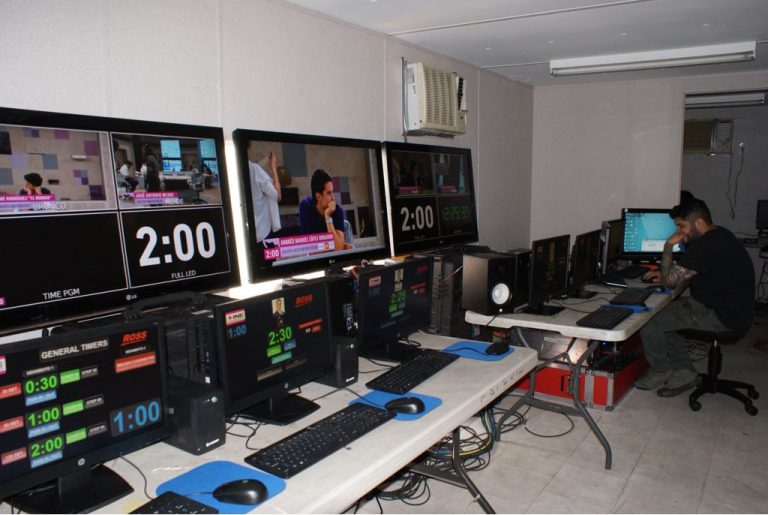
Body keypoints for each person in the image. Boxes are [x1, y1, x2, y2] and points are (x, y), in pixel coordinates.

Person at [636, 199, 755, 397]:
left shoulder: (705, 245)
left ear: (699, 223)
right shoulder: (720, 234)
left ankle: (661, 370)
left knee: (650, 319)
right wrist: (667, 273)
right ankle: (684, 372)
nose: (680, 232)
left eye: (682, 226)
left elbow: (670, 282)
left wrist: (668, 245)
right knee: (667, 315)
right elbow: (692, 270)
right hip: (737, 312)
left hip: (722, 316)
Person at [299, 169, 348, 251]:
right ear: (318, 196)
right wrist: (331, 246)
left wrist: (328, 216)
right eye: (329, 193)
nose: (333, 198)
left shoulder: (337, 210)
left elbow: (338, 249)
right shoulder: (306, 206)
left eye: (332, 192)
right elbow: (309, 248)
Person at [248, 144, 281, 242]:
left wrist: (266, 160)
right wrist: (273, 167)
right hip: (261, 232)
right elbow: (277, 195)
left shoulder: (236, 170)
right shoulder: (255, 170)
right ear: (248, 148)